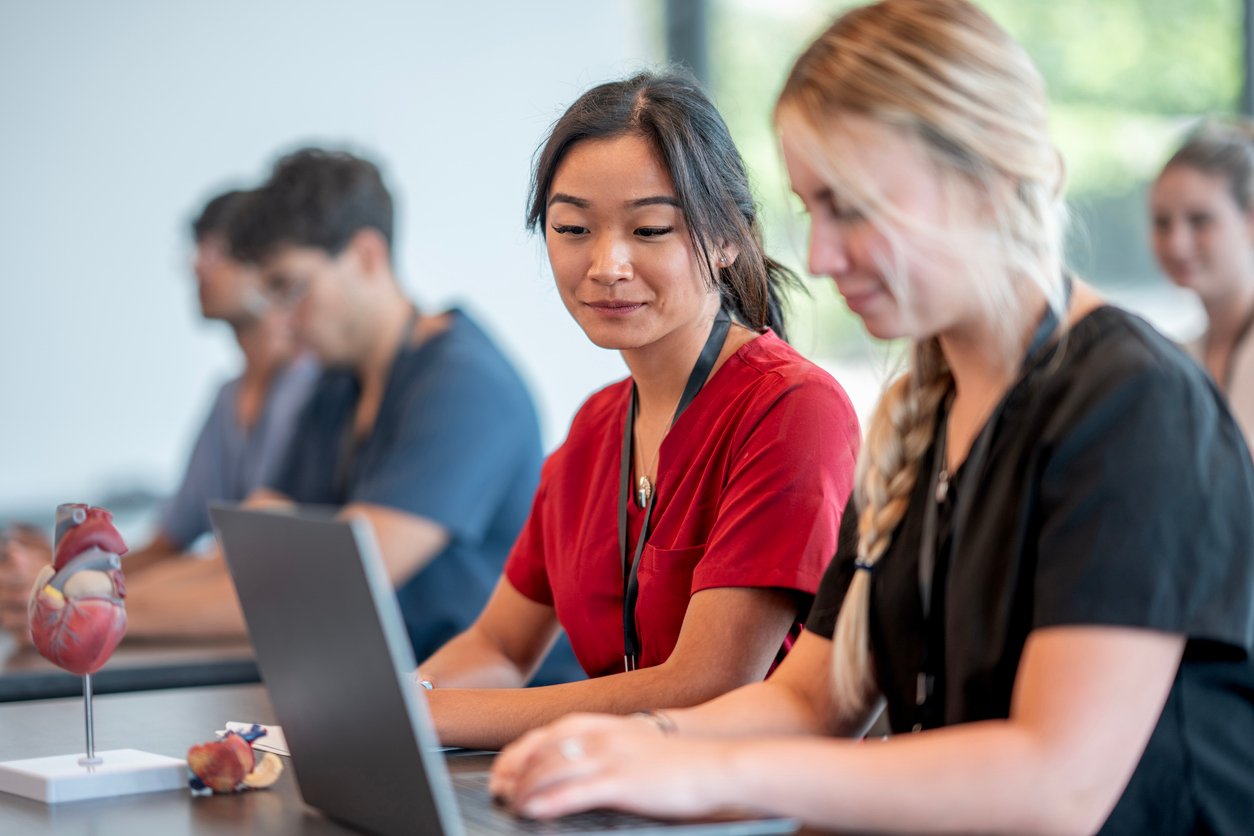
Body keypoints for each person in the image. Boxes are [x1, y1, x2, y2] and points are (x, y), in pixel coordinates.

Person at [488, 2, 1254, 833]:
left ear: (992, 179)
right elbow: (814, 700)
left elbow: (1054, 784)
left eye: (853, 207)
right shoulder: (920, 414)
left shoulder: (1133, 404)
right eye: (814, 209)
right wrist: (625, 744)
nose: (818, 256)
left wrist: (698, 763)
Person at [416, 72, 861, 751]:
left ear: (727, 238)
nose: (606, 264)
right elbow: (500, 646)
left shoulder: (792, 408)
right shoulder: (595, 428)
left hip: (750, 805)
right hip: (616, 791)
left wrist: (434, 718)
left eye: (649, 229)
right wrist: (398, 704)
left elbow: (708, 683)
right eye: (572, 228)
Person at [122, 149, 581, 684]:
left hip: (497, 726)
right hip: (388, 701)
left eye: (291, 288)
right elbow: (249, 563)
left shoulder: (464, 387)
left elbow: (331, 588)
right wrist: (98, 591)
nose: (281, 323)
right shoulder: (335, 386)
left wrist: (102, 613)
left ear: (365, 256)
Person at [0, 189, 317, 642]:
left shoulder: (318, 391)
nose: (197, 265)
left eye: (219, 250)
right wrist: (66, 575)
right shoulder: (227, 399)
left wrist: (82, 598)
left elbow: (250, 567)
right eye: (197, 249)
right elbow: (170, 543)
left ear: (270, 263)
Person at [1151, 119, 1254, 451]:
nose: (1177, 244)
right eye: (1162, 222)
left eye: (1200, 221)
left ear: (1249, 222)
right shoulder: (1181, 355)